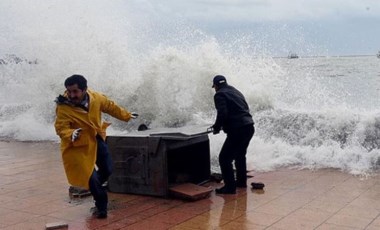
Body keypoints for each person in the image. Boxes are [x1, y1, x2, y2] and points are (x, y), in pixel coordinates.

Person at [54, 74, 138, 218]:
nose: (71, 95)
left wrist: (127, 115)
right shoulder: (63, 107)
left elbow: (111, 107)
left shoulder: (96, 98)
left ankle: (94, 188)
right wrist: (71, 133)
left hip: (95, 138)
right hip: (77, 146)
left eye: (75, 91)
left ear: (84, 89)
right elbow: (61, 128)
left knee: (107, 169)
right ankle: (101, 206)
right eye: (69, 91)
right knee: (91, 178)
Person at [211, 75, 255, 194]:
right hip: (249, 127)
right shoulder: (236, 91)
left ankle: (230, 187)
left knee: (224, 158)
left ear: (216, 85)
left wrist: (216, 127)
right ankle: (241, 182)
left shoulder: (219, 94)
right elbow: (244, 108)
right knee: (240, 155)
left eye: (214, 86)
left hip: (238, 130)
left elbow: (222, 113)